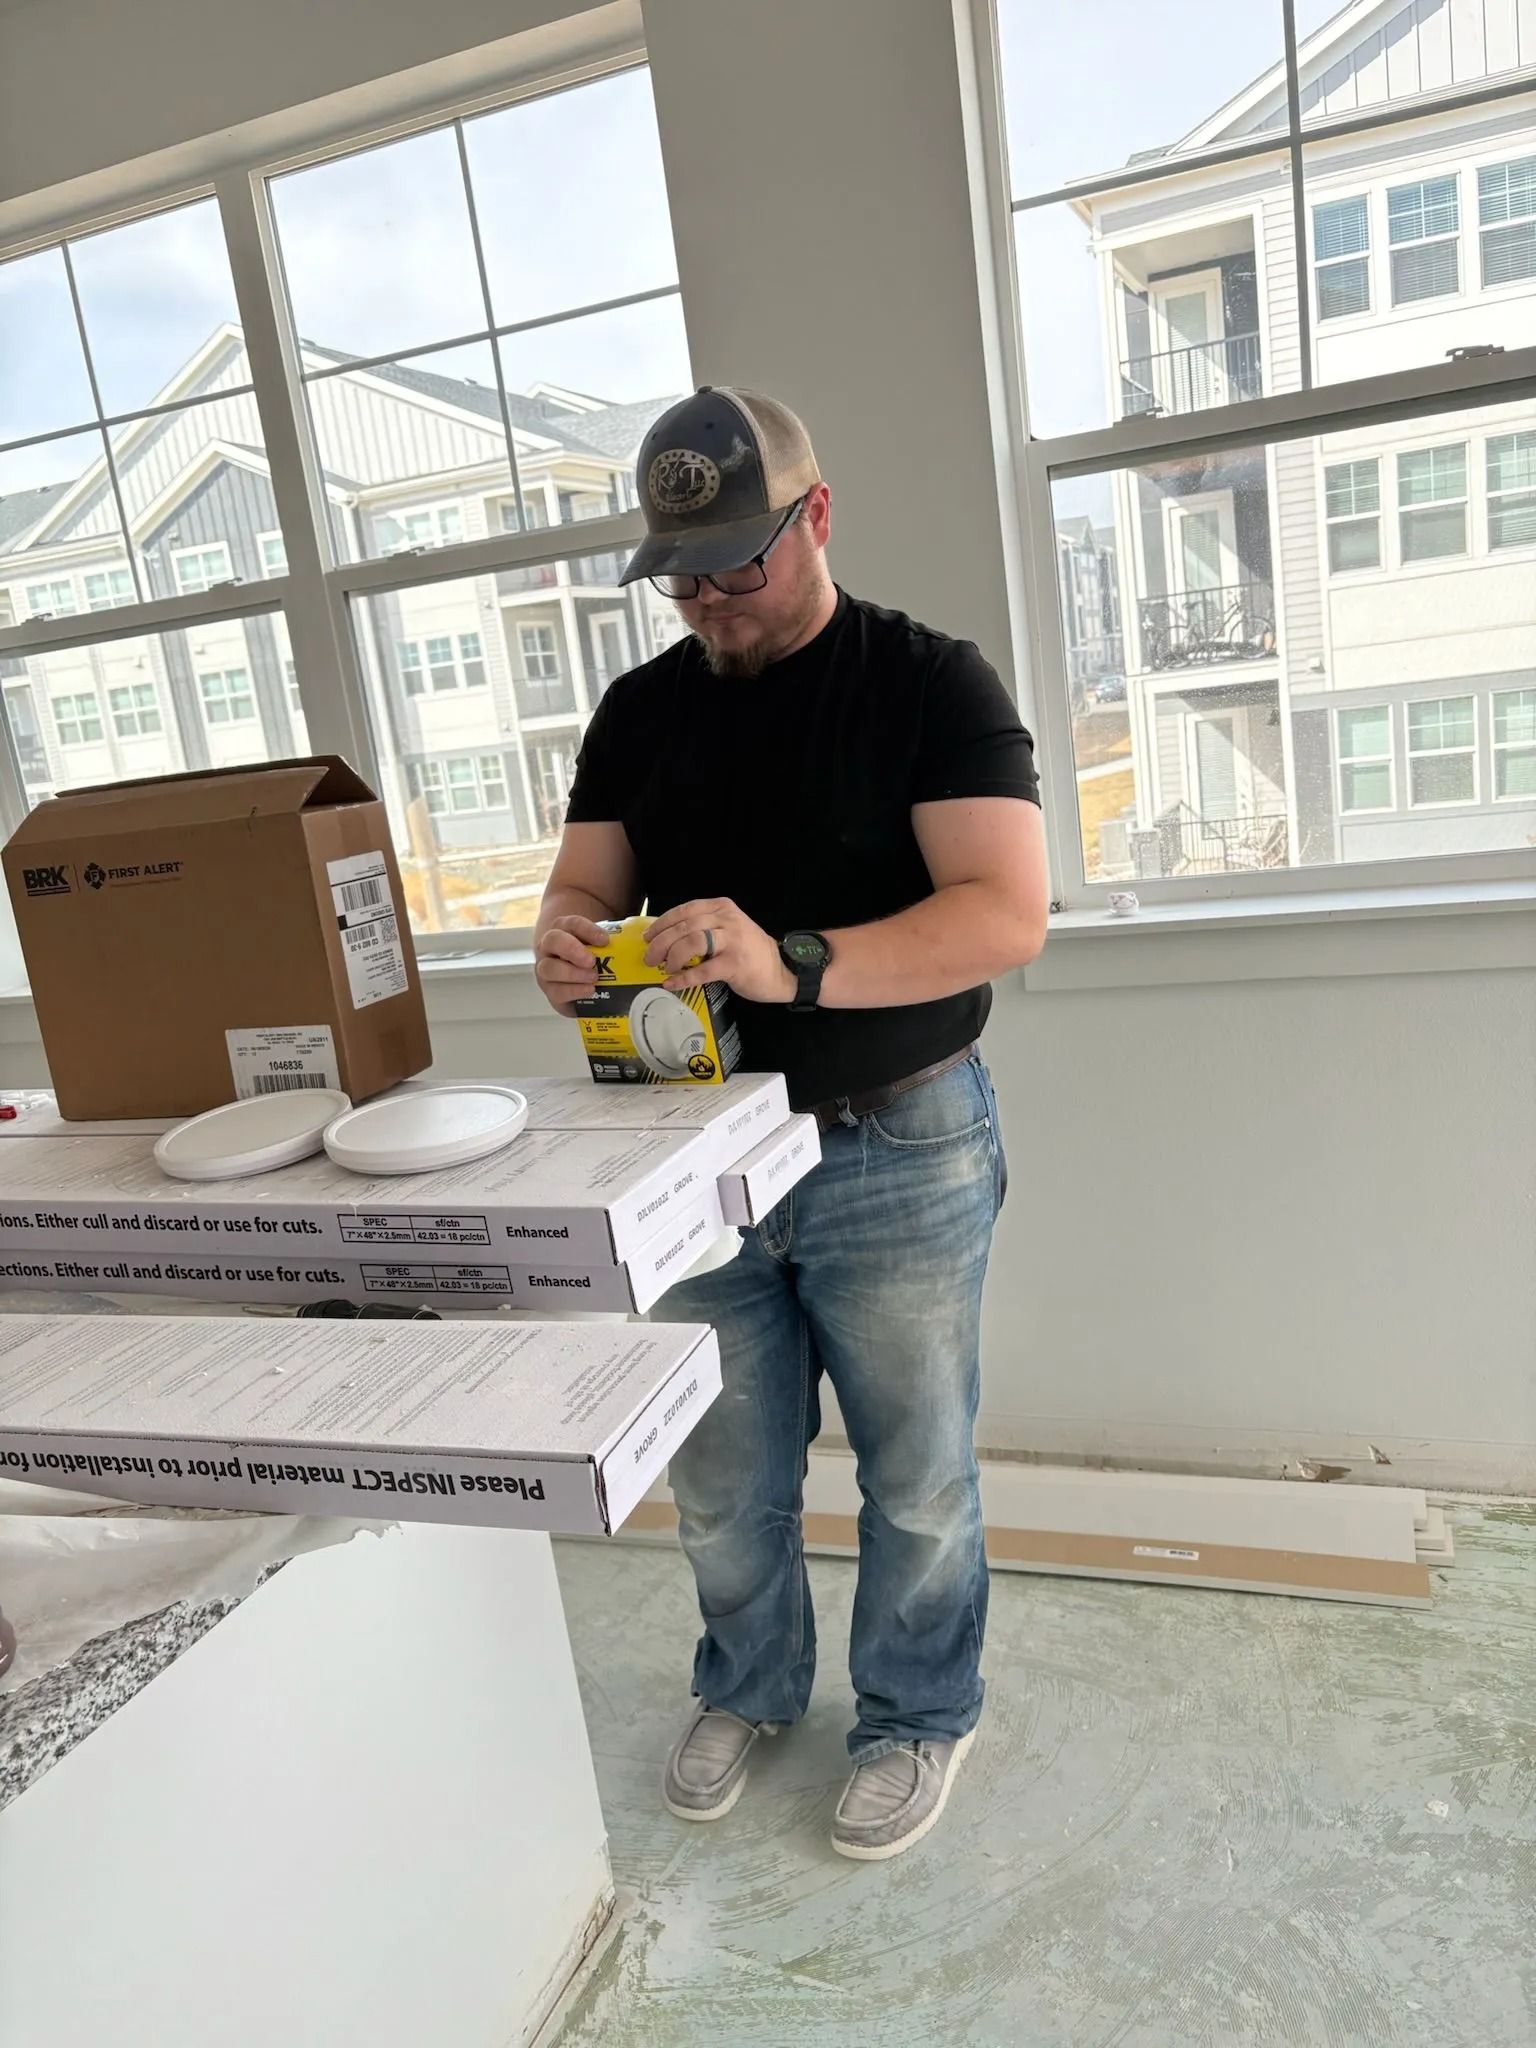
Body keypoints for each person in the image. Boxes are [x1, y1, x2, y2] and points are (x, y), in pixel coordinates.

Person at [535, 387, 1047, 1861]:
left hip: (902, 1139)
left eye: (734, 564)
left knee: (918, 1474)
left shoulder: (929, 683)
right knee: (720, 1476)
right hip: (692, 1157)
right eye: (679, 571)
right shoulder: (643, 710)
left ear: (816, 518)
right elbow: (579, 891)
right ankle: (749, 1686)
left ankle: (914, 1711)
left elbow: (1004, 916)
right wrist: (566, 941)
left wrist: (788, 962)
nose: (704, 599)